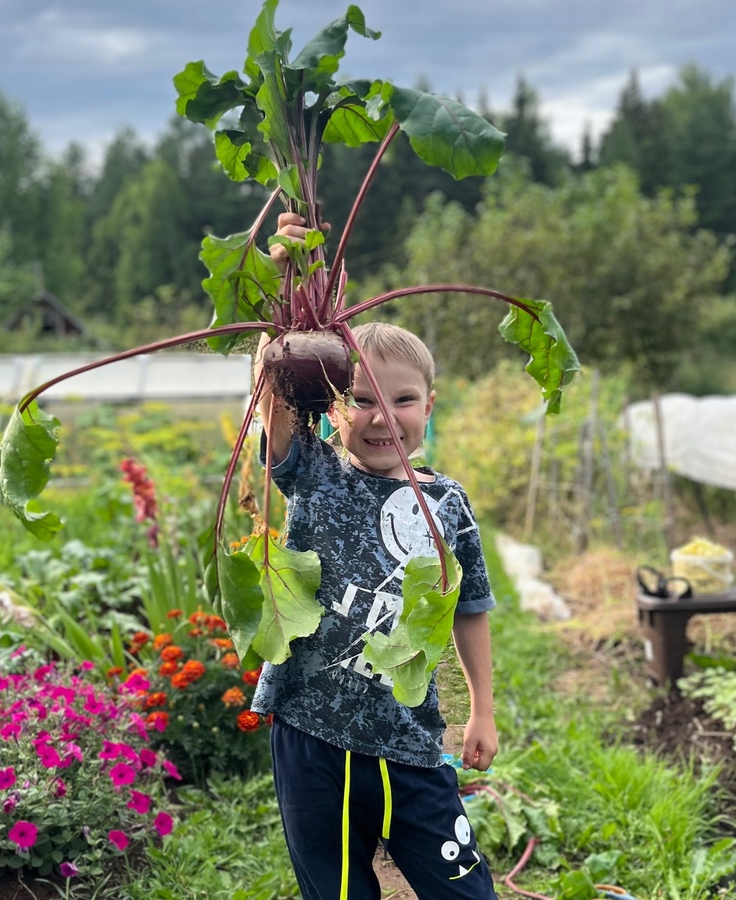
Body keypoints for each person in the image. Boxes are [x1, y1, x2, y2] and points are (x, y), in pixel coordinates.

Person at [251, 211, 499, 899]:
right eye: (361, 400)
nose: (383, 417)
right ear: (333, 408)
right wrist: (288, 284)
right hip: (311, 735)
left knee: (464, 891)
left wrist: (483, 706)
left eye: (404, 400)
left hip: (409, 740)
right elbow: (273, 393)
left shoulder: (447, 503)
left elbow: (470, 608)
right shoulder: (314, 471)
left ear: (430, 405)